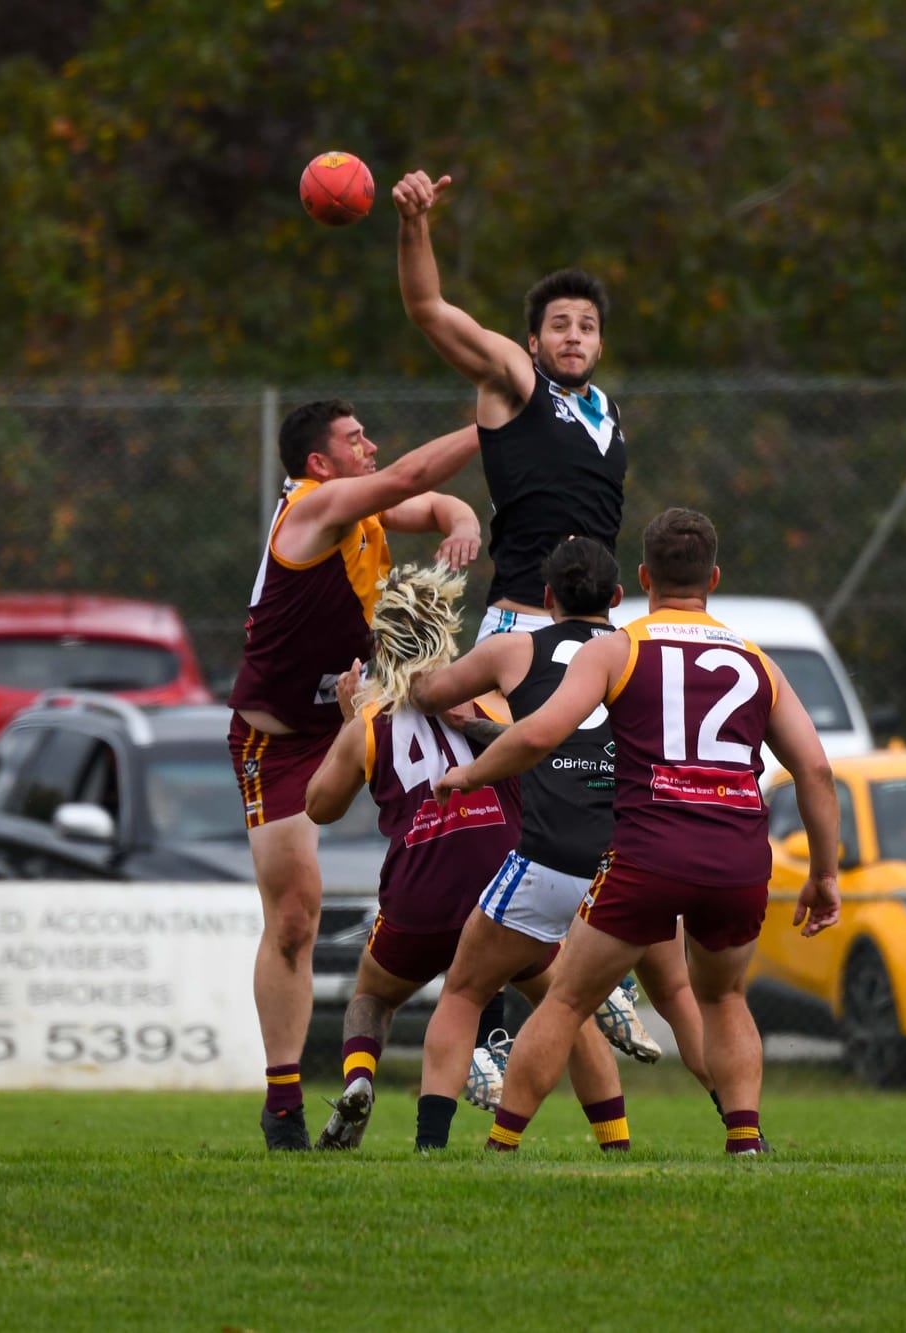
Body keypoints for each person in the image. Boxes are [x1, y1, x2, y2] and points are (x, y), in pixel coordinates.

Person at [434, 508, 842, 1155]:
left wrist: (469, 774)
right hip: (737, 856)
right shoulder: (757, 660)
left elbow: (539, 735)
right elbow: (815, 769)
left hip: (649, 852)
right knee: (724, 998)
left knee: (567, 1000)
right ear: (713, 578)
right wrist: (824, 874)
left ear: (645, 577)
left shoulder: (617, 648)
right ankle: (744, 1140)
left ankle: (502, 1144)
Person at [403, 537, 725, 1152]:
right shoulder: (638, 651)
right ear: (619, 596)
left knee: (466, 992)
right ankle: (740, 1126)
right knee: (680, 998)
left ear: (547, 596)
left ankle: (432, 1146)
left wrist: (406, 667)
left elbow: (432, 695)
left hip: (551, 861)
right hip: (634, 863)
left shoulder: (513, 649)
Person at [302, 564, 634, 1154]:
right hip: (499, 886)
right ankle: (616, 1142)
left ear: (381, 645)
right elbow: (540, 746)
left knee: (373, 997)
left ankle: (362, 1081)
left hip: (419, 894)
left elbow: (319, 807)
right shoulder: (491, 700)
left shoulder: (371, 723)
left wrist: (348, 722)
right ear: (445, 636)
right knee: (566, 1007)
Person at [227, 399, 482, 1151]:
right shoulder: (315, 507)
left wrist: (462, 519)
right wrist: (498, 423)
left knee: (468, 837)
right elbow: (409, 477)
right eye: (355, 438)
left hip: (353, 713)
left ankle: (484, 1024)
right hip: (277, 741)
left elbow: (429, 499)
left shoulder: (360, 507)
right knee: (295, 914)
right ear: (319, 463)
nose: (370, 445)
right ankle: (283, 1105)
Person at [392, 169, 625, 642]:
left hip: (596, 632)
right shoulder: (516, 382)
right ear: (533, 343)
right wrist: (414, 224)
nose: (574, 336)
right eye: (559, 325)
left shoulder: (607, 410)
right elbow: (427, 308)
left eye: (587, 327)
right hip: (523, 626)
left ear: (600, 345)